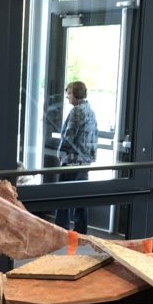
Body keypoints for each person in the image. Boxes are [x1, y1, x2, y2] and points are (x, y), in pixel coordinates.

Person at [54, 80, 98, 234]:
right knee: (81, 197)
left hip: (72, 160)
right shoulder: (90, 110)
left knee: (63, 195)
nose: (67, 97)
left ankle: (61, 229)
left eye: (69, 94)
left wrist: (60, 154)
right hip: (84, 161)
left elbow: (68, 136)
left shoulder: (77, 111)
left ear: (76, 94)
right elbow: (94, 137)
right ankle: (80, 230)